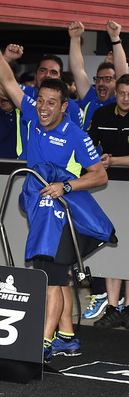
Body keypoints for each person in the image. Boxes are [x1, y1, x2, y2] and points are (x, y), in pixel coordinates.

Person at [0, 33, 108, 362]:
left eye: (52, 103)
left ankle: (43, 341)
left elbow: (100, 175)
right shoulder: (32, 119)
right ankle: (67, 336)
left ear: (65, 107)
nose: (44, 108)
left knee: (50, 280)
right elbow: (7, 80)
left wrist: (66, 187)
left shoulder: (76, 136)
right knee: (57, 277)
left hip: (64, 214)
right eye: (40, 102)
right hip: (41, 210)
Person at [86, 73, 129, 328]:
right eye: (122, 93)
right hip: (108, 188)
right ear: (116, 93)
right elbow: (87, 147)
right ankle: (113, 307)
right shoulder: (101, 115)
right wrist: (96, 162)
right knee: (114, 244)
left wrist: (112, 161)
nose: (126, 98)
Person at [68, 20, 127, 130]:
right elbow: (78, 70)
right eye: (98, 79)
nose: (101, 83)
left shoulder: (121, 101)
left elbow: (123, 75)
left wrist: (115, 38)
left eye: (108, 79)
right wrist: (75, 39)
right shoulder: (91, 98)